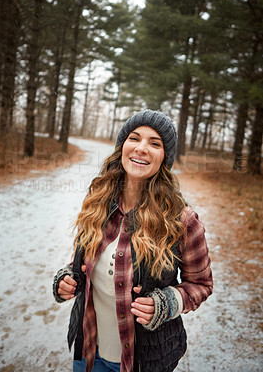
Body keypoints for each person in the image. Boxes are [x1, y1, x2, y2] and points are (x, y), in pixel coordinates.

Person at [53, 109, 213, 372]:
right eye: (134, 138)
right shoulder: (97, 202)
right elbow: (82, 257)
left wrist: (167, 303)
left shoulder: (182, 220)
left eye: (155, 143)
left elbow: (202, 284)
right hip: (88, 350)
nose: (141, 148)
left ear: (165, 158)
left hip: (145, 360)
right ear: (122, 147)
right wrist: (67, 277)